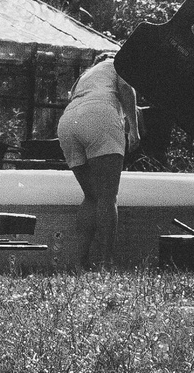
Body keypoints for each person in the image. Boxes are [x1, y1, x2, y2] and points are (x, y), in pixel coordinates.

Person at [56, 52, 139, 269]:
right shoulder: (116, 64)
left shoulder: (85, 76)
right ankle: (105, 263)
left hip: (68, 121)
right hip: (99, 115)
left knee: (91, 196)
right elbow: (125, 89)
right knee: (107, 197)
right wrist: (134, 130)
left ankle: (79, 263)